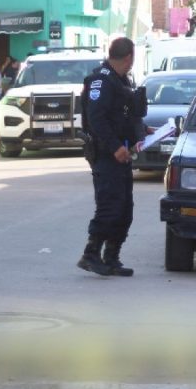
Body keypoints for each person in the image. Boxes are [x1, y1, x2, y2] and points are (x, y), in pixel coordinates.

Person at [77, 37, 147, 277]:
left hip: (122, 155)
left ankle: (112, 257)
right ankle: (91, 253)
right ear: (129, 57)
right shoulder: (101, 81)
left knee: (124, 209)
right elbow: (97, 119)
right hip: (106, 156)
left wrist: (143, 132)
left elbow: (123, 116)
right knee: (109, 206)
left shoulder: (120, 80)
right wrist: (116, 146)